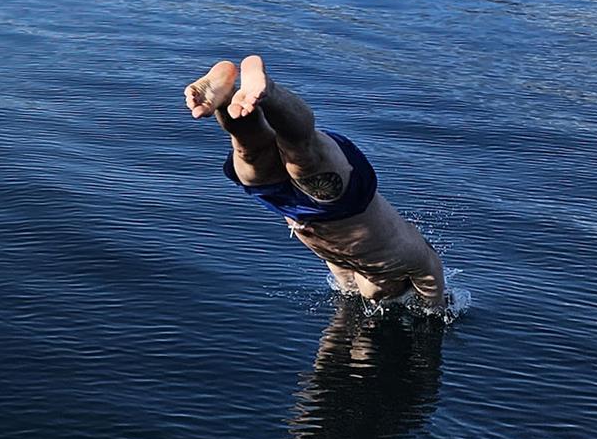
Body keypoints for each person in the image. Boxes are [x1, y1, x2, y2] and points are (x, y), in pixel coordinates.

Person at [185, 55, 447, 307]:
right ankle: (267, 91)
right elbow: (434, 293)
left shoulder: (352, 273)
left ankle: (224, 96)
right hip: (345, 202)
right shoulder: (416, 261)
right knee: (301, 152)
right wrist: (436, 310)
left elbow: (351, 303)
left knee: (249, 150)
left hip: (289, 207)